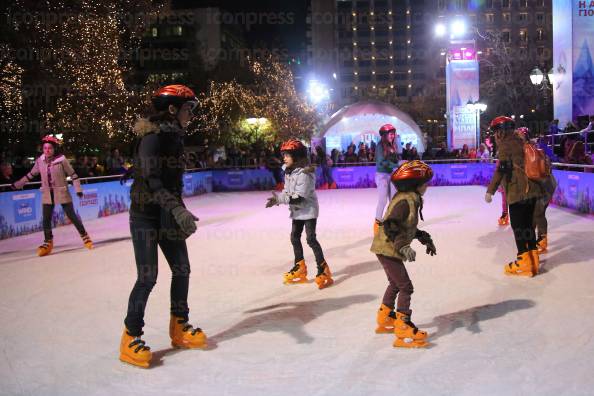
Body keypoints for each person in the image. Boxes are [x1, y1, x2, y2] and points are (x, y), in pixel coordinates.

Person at [120, 84, 205, 369]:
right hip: (145, 215)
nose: (190, 115)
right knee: (147, 277)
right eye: (187, 109)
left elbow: (166, 178)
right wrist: (178, 209)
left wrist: (176, 210)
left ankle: (179, 326)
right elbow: (153, 182)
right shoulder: (153, 137)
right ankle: (130, 337)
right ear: (172, 109)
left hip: (166, 213)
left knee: (182, 268)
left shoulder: (173, 137)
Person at [370, 160, 435, 348]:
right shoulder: (406, 201)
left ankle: (385, 316)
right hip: (388, 249)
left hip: (386, 248)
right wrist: (403, 246)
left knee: (395, 283)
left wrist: (424, 238)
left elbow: (407, 226)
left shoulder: (409, 198)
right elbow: (392, 225)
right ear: (415, 185)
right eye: (425, 184)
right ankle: (403, 325)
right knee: (406, 287)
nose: (427, 187)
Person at [265, 139, 333, 289]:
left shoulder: (304, 174)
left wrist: (280, 200)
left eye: (287, 155)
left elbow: (299, 198)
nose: (284, 158)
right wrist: (277, 198)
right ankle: (300, 266)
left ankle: (323, 269)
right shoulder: (289, 172)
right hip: (297, 211)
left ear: (296, 157)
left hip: (308, 211)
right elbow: (288, 192)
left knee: (310, 239)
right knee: (294, 237)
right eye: (283, 155)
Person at [12, 135, 93, 256]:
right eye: (45, 148)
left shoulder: (62, 160)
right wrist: (18, 184)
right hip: (47, 193)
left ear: (54, 149)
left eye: (49, 148)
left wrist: (78, 189)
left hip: (61, 191)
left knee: (72, 216)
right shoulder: (40, 160)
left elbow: (74, 175)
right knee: (46, 220)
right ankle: (48, 242)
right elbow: (30, 174)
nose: (47, 150)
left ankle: (85, 236)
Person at [485, 116, 544, 277]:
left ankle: (524, 261)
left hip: (518, 192)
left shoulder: (506, 145)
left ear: (500, 131)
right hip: (532, 190)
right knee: (528, 227)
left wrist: (490, 190)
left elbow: (501, 169)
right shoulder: (523, 140)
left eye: (496, 132)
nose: (495, 135)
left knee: (519, 227)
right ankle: (533, 261)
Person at [374, 124, 400, 235]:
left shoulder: (393, 146)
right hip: (382, 176)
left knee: (393, 200)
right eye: (390, 134)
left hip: (392, 175)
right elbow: (381, 162)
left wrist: (398, 164)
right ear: (384, 135)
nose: (392, 135)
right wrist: (396, 165)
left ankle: (392, 223)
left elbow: (395, 160)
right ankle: (377, 224)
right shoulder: (380, 146)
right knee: (383, 200)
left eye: (393, 133)